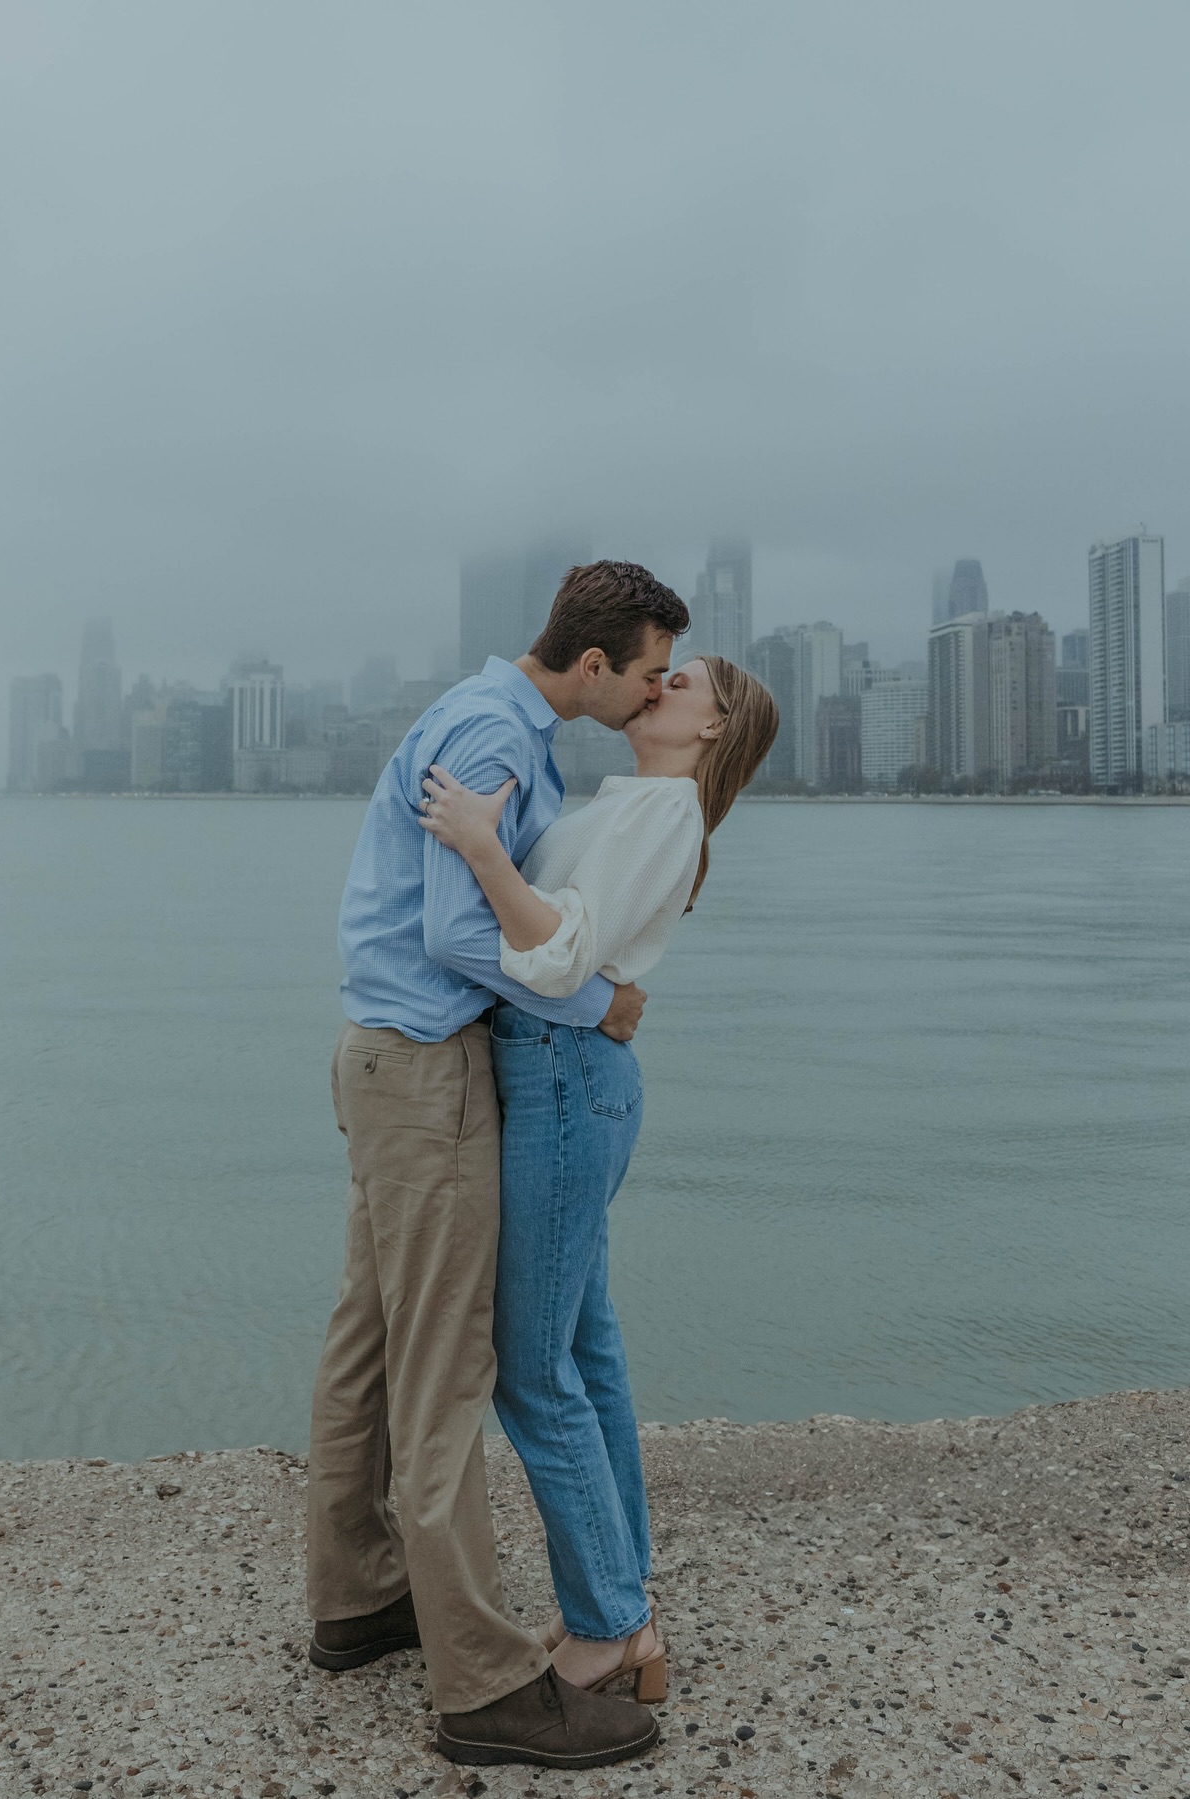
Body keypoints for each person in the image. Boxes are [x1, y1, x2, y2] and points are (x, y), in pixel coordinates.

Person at [305, 561, 691, 1771]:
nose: (649, 693)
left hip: (391, 1063)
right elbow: (456, 925)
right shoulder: (496, 732)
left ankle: (362, 1596)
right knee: (444, 1372)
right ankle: (481, 1680)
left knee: (370, 1337)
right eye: (642, 672)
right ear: (591, 665)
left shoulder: (502, 722)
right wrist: (599, 1007)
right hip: (423, 1075)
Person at [417, 651, 778, 1701]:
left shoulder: (663, 811)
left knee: (532, 1364)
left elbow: (563, 958)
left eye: (688, 679)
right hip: (573, 1075)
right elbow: (587, 959)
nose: (661, 681)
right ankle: (623, 1589)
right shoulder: (636, 799)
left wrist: (483, 849)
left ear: (715, 727)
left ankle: (612, 1624)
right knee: (584, 1342)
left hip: (567, 1078)